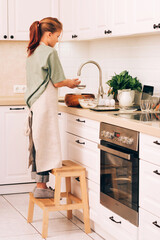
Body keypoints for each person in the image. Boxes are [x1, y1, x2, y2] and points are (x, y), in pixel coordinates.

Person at [25, 17, 80, 199]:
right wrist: (70, 83)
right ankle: (42, 187)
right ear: (48, 34)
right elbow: (57, 82)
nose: (58, 40)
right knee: (46, 143)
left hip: (34, 104)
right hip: (44, 103)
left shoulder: (32, 51)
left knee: (39, 143)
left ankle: (40, 185)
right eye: (57, 36)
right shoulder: (49, 52)